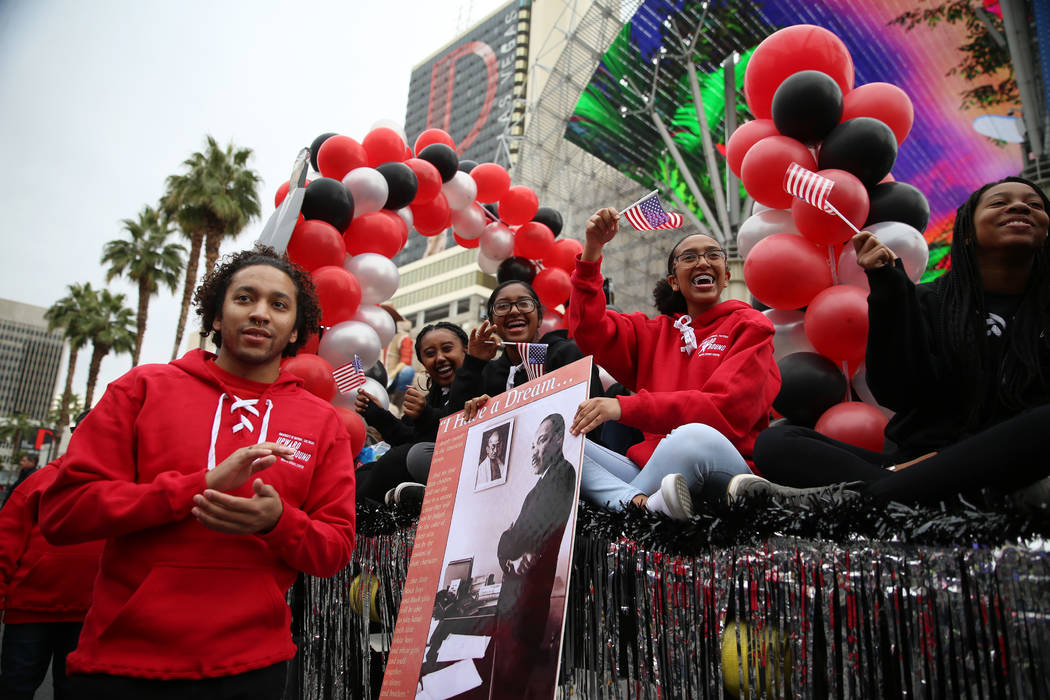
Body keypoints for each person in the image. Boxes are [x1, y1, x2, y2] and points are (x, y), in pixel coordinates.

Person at [39, 247, 357, 699]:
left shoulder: (322, 422)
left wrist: (278, 522)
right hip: (120, 665)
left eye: (279, 305)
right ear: (214, 316)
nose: (261, 314)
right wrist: (199, 487)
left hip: (253, 669)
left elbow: (335, 550)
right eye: (244, 298)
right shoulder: (141, 388)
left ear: (294, 333)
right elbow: (63, 513)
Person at [747, 177, 1050, 505]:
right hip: (918, 460)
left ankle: (874, 499)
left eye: (1034, 205)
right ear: (966, 233)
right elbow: (898, 391)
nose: (1019, 207)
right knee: (778, 442)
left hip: (1017, 466)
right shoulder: (928, 300)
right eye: (999, 203)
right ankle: (906, 493)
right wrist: (889, 290)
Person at [565, 208, 782, 518]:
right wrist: (592, 250)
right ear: (674, 281)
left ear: (726, 276)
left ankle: (626, 511)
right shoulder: (653, 332)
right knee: (560, 445)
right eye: (690, 258)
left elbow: (724, 411)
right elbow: (589, 329)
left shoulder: (751, 325)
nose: (703, 262)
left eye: (713, 255)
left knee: (692, 435)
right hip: (657, 477)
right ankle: (641, 505)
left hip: (720, 466)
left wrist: (624, 407)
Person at [0, 413, 102, 700]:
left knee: (74, 692)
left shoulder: (124, 484)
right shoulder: (40, 480)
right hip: (30, 611)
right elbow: (6, 541)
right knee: (15, 687)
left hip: (91, 614)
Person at [491, 413, 576, 699]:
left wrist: (509, 542)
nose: (534, 451)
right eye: (533, 444)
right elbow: (510, 542)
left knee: (513, 682)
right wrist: (508, 547)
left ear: (558, 440)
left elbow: (525, 532)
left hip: (528, 602)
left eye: (540, 441)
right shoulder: (537, 488)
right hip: (516, 599)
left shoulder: (563, 473)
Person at [354, 321, 469, 507]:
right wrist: (378, 415)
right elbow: (406, 437)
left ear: (466, 350)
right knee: (363, 472)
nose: (440, 358)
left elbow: (451, 431)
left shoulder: (477, 382)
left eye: (447, 349)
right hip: (415, 462)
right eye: (430, 354)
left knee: (398, 458)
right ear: (423, 363)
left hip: (461, 468)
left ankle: (359, 515)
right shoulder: (431, 397)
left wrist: (425, 414)